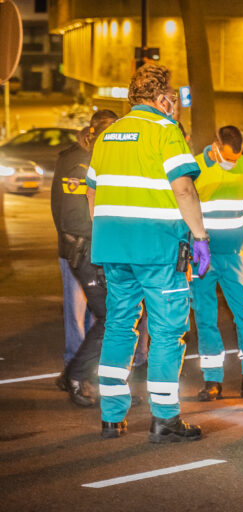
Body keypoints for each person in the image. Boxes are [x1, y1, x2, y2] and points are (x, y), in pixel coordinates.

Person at [86, 63, 210, 443]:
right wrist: (200, 236)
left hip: (113, 249)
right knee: (167, 332)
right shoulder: (164, 130)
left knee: (119, 326)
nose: (172, 104)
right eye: (170, 98)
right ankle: (166, 419)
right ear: (161, 98)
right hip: (158, 251)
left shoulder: (108, 135)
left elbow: (92, 192)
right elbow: (184, 189)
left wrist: (106, 233)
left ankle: (111, 417)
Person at [191, 125, 243, 401]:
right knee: (205, 317)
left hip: (234, 256)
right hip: (202, 256)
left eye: (235, 158)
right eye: (226, 157)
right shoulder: (196, 167)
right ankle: (212, 381)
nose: (231, 163)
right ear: (215, 145)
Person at [51, 112, 117, 406]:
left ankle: (83, 373)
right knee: (105, 316)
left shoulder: (75, 155)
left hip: (78, 249)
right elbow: (74, 212)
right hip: (87, 250)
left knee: (96, 315)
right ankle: (77, 374)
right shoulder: (87, 160)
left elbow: (57, 207)